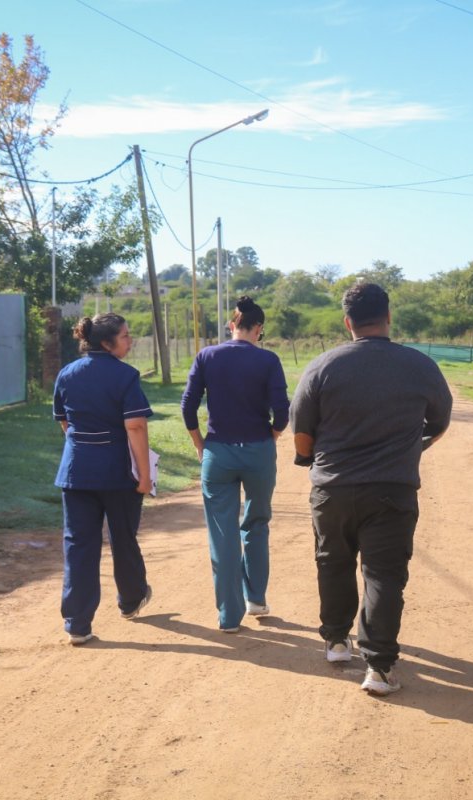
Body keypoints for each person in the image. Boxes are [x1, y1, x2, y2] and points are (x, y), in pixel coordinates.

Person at [290, 283, 453, 696]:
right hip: (392, 489)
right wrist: (412, 448)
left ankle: (336, 641)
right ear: (389, 317)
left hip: (332, 489)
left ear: (348, 322)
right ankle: (379, 668)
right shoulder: (420, 366)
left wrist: (311, 459)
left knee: (332, 562)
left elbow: (301, 432)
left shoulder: (322, 366)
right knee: (384, 574)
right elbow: (439, 422)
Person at [181, 296, 290, 633]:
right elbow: (282, 411)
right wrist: (271, 437)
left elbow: (187, 406)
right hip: (258, 450)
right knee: (256, 523)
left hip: (218, 452)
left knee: (222, 533)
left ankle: (229, 616)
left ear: (232, 325)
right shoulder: (268, 360)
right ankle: (256, 598)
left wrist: (199, 444)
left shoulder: (207, 356)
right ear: (258, 329)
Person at [52, 313, 154, 646]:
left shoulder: (67, 373)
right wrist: (145, 475)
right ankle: (131, 599)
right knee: (123, 537)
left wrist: (84, 447)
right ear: (107, 343)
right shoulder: (126, 376)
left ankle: (77, 623)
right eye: (125, 336)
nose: (130, 341)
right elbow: (135, 426)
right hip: (117, 473)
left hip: (76, 472)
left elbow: (65, 422)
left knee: (78, 545)